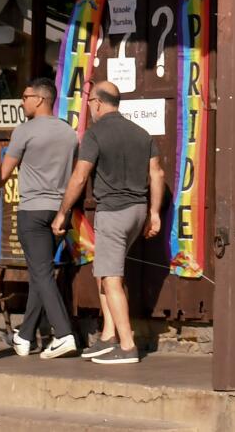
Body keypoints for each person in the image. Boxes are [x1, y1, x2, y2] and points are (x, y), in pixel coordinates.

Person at [53, 81, 165, 365]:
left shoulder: (95, 134)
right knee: (106, 272)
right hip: (138, 211)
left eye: (90, 101)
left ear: (99, 103)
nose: (89, 106)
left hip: (113, 213)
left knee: (111, 278)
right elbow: (158, 174)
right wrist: (154, 213)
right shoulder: (141, 133)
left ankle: (127, 346)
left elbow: (79, 176)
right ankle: (107, 337)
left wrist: (63, 211)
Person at [0, 75, 78, 359]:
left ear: (40, 99)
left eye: (25, 97)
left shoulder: (24, 131)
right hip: (59, 212)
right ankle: (24, 336)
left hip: (33, 210)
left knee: (40, 273)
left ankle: (63, 334)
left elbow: (5, 171)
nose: (22, 101)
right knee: (43, 273)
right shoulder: (68, 132)